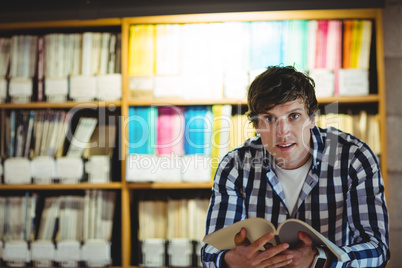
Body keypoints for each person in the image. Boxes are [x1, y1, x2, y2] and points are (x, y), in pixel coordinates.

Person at [201, 65, 390, 268]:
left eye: (294, 116)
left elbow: (378, 249)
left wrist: (321, 259)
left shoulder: (354, 158)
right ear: (256, 125)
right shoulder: (234, 166)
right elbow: (211, 252)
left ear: (312, 118)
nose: (282, 132)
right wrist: (230, 261)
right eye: (269, 118)